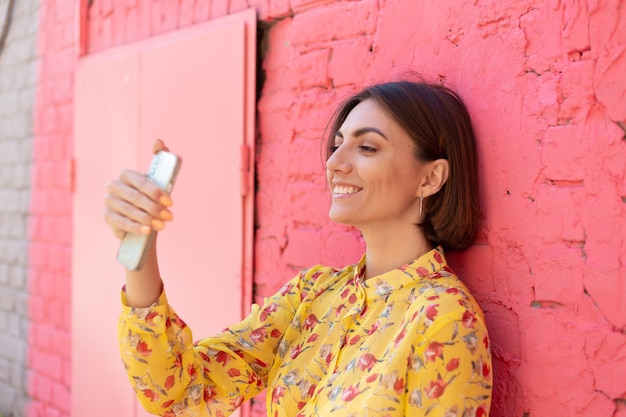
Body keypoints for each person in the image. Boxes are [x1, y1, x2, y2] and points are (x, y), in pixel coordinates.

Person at [104, 80, 492, 417]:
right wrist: (140, 248)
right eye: (337, 145)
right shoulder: (314, 295)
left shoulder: (443, 318)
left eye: (368, 148)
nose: (334, 163)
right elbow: (178, 391)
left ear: (430, 177)